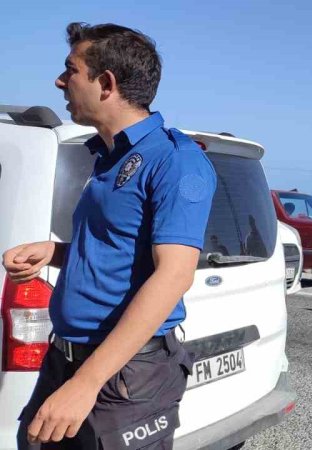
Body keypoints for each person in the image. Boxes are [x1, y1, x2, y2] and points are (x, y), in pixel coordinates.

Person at [2, 23, 217, 447]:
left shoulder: (174, 161)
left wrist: (87, 383)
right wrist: (56, 251)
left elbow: (173, 275)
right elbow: (117, 245)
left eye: (71, 70)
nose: (60, 82)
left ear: (106, 83)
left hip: (124, 381)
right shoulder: (109, 155)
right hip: (66, 358)